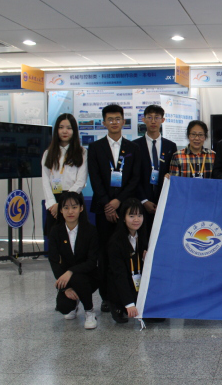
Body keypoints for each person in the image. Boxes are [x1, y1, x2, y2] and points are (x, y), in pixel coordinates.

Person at [87, 104, 141, 313]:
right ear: (104, 122)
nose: (114, 122)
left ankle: (128, 295)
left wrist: (119, 201)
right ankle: (106, 297)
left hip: (126, 209)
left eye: (118, 119)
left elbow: (135, 178)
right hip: (104, 210)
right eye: (110, 119)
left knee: (126, 253)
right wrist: (108, 205)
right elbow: (95, 178)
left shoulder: (133, 148)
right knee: (105, 254)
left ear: (123, 121)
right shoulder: (95, 148)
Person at [47, 191, 99, 330]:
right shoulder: (55, 231)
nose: (70, 211)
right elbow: (53, 261)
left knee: (78, 278)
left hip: (89, 276)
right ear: (61, 210)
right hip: (67, 279)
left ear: (81, 208)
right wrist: (66, 287)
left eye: (74, 207)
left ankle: (89, 311)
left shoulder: (90, 231)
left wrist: (70, 272)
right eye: (66, 208)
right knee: (64, 307)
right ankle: (74, 303)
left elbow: (92, 262)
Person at [41, 113, 87, 239]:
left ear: (74, 131)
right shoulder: (48, 153)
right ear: (56, 130)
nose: (64, 131)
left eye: (69, 128)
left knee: (78, 238)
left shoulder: (82, 152)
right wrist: (53, 204)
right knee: (56, 238)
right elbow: (45, 181)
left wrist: (64, 204)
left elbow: (81, 181)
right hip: (54, 202)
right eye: (61, 127)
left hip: (74, 200)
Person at [134, 105, 177, 232]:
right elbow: (133, 176)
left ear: (162, 120)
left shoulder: (170, 146)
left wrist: (163, 200)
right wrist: (144, 200)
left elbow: (172, 173)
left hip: (163, 201)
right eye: (150, 117)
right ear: (143, 120)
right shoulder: (135, 145)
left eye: (157, 117)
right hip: (141, 201)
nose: (153, 121)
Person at [106, 198, 149, 324]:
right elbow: (119, 275)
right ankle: (117, 304)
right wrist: (129, 304)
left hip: (138, 282)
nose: (136, 220)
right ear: (123, 218)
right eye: (131, 216)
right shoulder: (115, 242)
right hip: (121, 284)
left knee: (157, 318)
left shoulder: (145, 237)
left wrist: (147, 259)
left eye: (139, 215)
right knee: (127, 309)